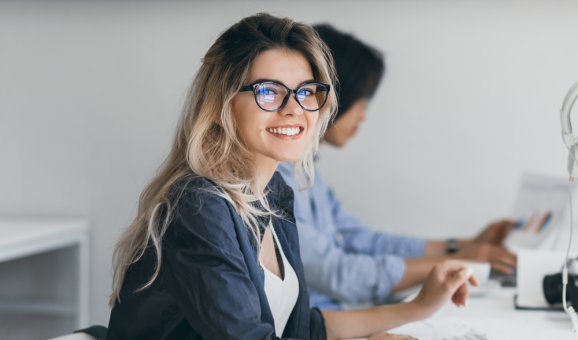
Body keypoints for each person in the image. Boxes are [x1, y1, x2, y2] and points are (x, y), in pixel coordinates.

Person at [106, 13, 478, 340]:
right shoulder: (200, 205)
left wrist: (419, 307)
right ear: (221, 105)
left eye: (306, 92)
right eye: (269, 92)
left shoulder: (273, 193)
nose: (293, 109)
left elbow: (301, 330)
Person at [276, 25, 517, 311]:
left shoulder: (308, 174)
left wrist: (463, 246)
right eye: (362, 100)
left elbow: (363, 240)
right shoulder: (275, 180)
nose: (364, 114)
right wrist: (456, 262)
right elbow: (336, 272)